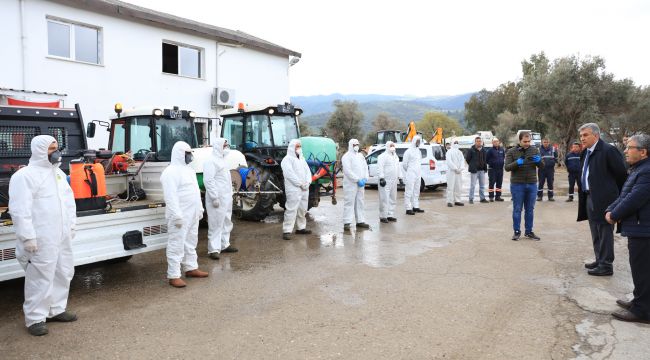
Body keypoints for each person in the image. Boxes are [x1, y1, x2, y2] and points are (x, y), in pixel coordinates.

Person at [9, 135, 77, 336]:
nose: (55, 152)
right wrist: (27, 236)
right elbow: (20, 209)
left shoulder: (58, 174)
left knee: (63, 271)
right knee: (40, 277)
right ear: (38, 150)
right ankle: (35, 318)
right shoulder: (24, 176)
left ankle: (56, 309)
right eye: (50, 148)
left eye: (56, 147)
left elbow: (68, 202)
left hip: (61, 235)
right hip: (41, 238)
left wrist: (71, 225)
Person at [605, 134, 650, 324]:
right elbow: (625, 194)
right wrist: (611, 209)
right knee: (640, 269)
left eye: (629, 147)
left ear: (643, 152)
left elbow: (635, 198)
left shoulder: (647, 171)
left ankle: (642, 311)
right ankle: (640, 302)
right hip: (639, 228)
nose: (625, 151)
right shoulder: (638, 169)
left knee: (643, 271)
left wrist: (614, 215)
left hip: (644, 230)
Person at [577, 123, 627, 276]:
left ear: (596, 135)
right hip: (589, 197)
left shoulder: (608, 150)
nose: (582, 139)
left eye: (585, 135)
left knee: (604, 232)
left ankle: (606, 265)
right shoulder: (585, 152)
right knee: (595, 230)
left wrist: (615, 197)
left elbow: (621, 174)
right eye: (581, 136)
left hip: (605, 199)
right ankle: (599, 259)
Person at [160, 141, 208, 288]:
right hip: (179, 216)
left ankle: (191, 267)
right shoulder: (170, 172)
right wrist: (176, 215)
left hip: (192, 213)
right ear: (180, 154)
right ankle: (174, 275)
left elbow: (195, 191)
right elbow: (171, 196)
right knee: (176, 243)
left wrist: (199, 209)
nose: (190, 156)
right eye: (187, 153)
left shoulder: (189, 170)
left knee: (191, 241)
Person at [505, 131, 543, 241]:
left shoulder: (535, 150)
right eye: (524, 141)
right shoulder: (511, 151)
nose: (527, 143)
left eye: (529, 141)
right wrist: (517, 162)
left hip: (531, 184)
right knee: (517, 209)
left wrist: (539, 161)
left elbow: (542, 166)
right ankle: (517, 231)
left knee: (530, 209)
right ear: (519, 140)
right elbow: (507, 167)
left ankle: (529, 231)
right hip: (517, 185)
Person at [204, 138, 238, 259]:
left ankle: (224, 244)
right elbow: (208, 180)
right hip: (217, 199)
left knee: (226, 222)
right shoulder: (211, 161)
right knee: (216, 223)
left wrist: (231, 194)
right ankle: (213, 249)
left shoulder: (223, 160)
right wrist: (214, 197)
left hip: (226, 198)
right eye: (225, 145)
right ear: (218, 146)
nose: (227, 147)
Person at [281, 139, 312, 239]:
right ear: (292, 148)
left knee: (303, 209)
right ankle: (287, 231)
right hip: (294, 189)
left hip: (304, 188)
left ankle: (301, 228)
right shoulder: (287, 159)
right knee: (291, 209)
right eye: (297, 147)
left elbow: (308, 171)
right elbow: (289, 174)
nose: (299, 148)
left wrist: (308, 182)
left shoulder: (302, 159)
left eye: (299, 146)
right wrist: (300, 184)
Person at [341, 139, 370, 231]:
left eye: (357, 144)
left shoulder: (360, 156)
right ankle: (347, 222)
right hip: (351, 184)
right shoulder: (346, 157)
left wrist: (365, 177)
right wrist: (357, 179)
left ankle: (360, 221)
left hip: (361, 183)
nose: (356, 146)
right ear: (350, 145)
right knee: (349, 202)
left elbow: (365, 167)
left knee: (360, 202)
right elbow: (347, 171)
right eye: (354, 145)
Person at [377, 141, 401, 222]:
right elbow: (380, 167)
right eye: (391, 146)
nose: (392, 147)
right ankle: (383, 216)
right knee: (384, 198)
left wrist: (400, 177)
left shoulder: (395, 156)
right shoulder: (382, 156)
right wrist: (381, 178)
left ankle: (390, 214)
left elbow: (398, 167)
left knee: (393, 198)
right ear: (387, 146)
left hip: (394, 180)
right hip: (385, 181)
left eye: (393, 145)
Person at [403, 135, 424, 215]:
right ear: (414, 141)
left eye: (419, 141)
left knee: (417, 190)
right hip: (411, 173)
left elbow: (419, 162)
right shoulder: (408, 151)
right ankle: (408, 208)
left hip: (418, 173)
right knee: (409, 191)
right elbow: (404, 165)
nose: (418, 143)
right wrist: (410, 171)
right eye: (417, 141)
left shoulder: (419, 151)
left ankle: (416, 206)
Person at [465, 136, 488, 204]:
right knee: (473, 185)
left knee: (482, 185)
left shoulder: (484, 150)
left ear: (481, 142)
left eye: (480, 141)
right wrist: (472, 165)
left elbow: (485, 159)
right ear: (475, 142)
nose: (479, 142)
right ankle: (471, 199)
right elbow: (467, 159)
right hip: (474, 171)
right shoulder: (471, 150)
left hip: (482, 170)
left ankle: (482, 198)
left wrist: (484, 167)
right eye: (477, 141)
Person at [446, 141, 465, 207]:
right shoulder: (449, 152)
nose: (456, 144)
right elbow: (449, 161)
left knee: (458, 186)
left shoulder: (460, 152)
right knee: (450, 186)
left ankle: (457, 200)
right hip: (451, 172)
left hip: (459, 172)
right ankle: (449, 201)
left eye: (457, 143)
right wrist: (455, 168)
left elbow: (462, 161)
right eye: (455, 143)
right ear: (452, 144)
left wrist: (461, 168)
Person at [486, 138, 506, 202]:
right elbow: (486, 159)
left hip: (500, 169)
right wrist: (491, 163)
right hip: (492, 170)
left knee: (499, 183)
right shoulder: (490, 150)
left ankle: (498, 196)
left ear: (499, 142)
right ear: (492, 143)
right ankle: (491, 197)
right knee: (491, 183)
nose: (496, 142)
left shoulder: (502, 150)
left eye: (497, 141)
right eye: (494, 142)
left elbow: (503, 157)